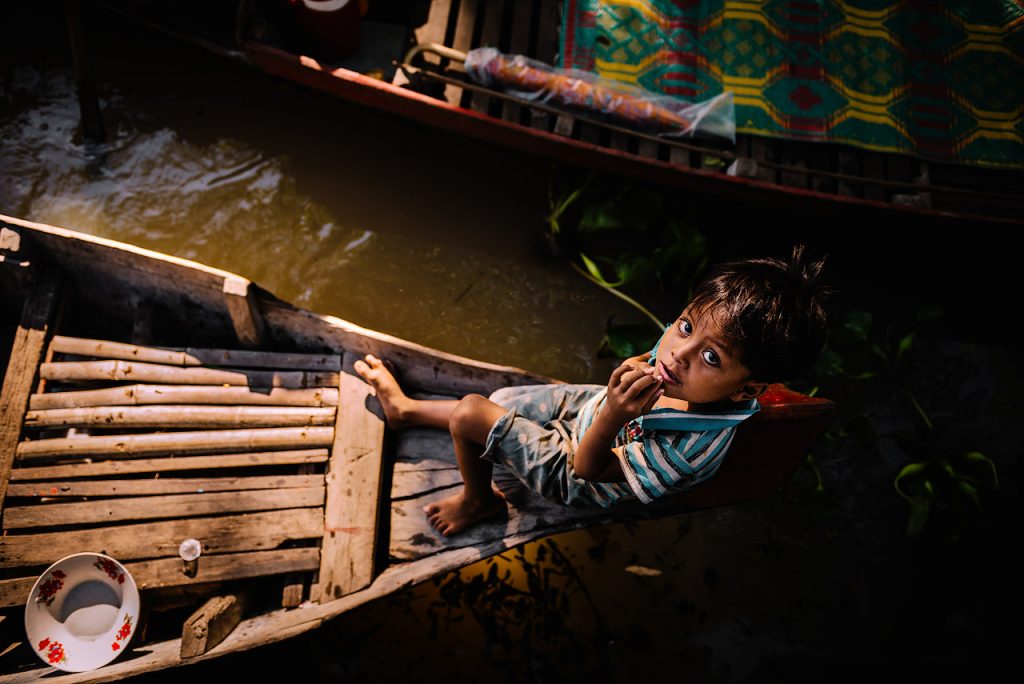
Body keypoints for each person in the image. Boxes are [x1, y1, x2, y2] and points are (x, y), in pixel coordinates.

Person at [354, 245, 830, 536]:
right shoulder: (683, 359)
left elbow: (588, 468)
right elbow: (668, 353)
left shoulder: (689, 448)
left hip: (587, 473)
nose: (678, 354)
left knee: (471, 415)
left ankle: (480, 501)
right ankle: (405, 411)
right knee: (499, 405)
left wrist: (613, 415)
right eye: (685, 326)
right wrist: (614, 401)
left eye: (711, 358)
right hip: (599, 411)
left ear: (749, 387)